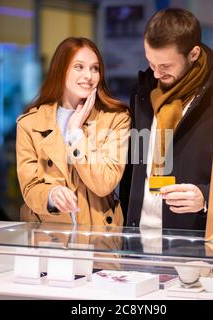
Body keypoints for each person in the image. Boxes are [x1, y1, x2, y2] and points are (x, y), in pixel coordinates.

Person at [120, 8, 213, 230]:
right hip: (138, 241)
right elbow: (135, 166)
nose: (156, 74)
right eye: (151, 63)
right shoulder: (143, 94)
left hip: (194, 245)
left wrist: (205, 196)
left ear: (193, 54)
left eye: (165, 66)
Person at [17, 37, 130, 227]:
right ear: (60, 70)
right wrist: (51, 196)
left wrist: (76, 131)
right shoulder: (30, 123)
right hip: (48, 237)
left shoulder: (115, 119)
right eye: (79, 67)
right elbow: (29, 187)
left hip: (98, 235)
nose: (89, 75)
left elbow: (105, 183)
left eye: (95, 68)